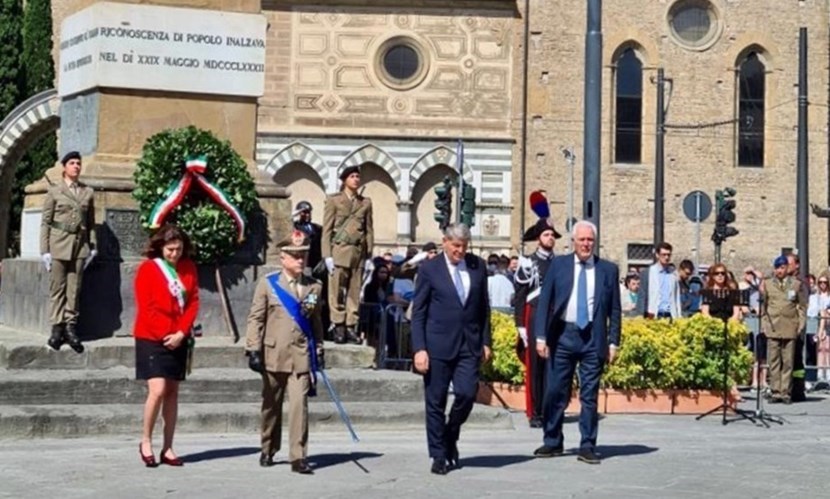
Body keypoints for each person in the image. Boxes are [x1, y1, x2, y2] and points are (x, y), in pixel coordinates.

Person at [533, 220, 621, 465]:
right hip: (562, 335)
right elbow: (545, 302)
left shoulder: (608, 270)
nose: (586, 244)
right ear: (573, 242)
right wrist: (541, 336)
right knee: (555, 392)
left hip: (593, 338)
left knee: (590, 395)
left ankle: (587, 445)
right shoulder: (558, 266)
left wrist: (613, 342)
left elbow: (615, 309)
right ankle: (552, 441)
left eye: (590, 240)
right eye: (582, 240)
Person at [411, 223, 492, 475]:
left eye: (464, 247)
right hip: (437, 345)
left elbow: (483, 309)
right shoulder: (429, 270)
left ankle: (451, 432)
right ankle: (438, 453)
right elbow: (419, 312)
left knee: (467, 394)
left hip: (469, 344)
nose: (460, 251)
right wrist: (419, 348)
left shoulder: (478, 267)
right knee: (435, 401)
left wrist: (486, 341)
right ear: (444, 242)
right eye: (456, 246)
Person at [245, 230, 324, 474]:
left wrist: (319, 349)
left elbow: (316, 322)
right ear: (283, 258)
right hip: (273, 354)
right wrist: (253, 349)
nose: (301, 260)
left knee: (300, 406)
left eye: (303, 255)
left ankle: (298, 456)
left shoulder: (315, 287)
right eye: (295, 256)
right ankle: (268, 447)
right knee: (271, 406)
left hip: (300, 356)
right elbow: (256, 318)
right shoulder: (269, 284)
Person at [133, 224, 200, 468]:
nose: (175, 254)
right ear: (161, 247)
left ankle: (168, 447)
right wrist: (166, 335)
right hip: (152, 337)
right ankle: (145, 440)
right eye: (170, 249)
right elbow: (146, 306)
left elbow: (192, 302)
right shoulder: (148, 269)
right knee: (158, 389)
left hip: (178, 337)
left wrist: (181, 332)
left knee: (172, 392)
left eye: (179, 249)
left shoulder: (188, 268)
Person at [40, 151, 97, 353]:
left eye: (78, 163)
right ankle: (57, 328)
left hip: (79, 246)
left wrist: (93, 245)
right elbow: (46, 222)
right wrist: (44, 250)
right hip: (58, 244)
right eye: (72, 163)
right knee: (58, 288)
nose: (76, 166)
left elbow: (90, 222)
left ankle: (70, 327)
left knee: (74, 289)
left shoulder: (87, 192)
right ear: (64, 167)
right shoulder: (55, 191)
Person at [513, 214, 560, 428]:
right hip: (533, 314)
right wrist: (520, 325)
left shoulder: (560, 263)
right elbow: (520, 296)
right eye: (546, 234)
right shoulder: (527, 263)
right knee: (535, 366)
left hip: (554, 317)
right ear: (538, 238)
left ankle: (550, 408)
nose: (550, 238)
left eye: (552, 235)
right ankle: (535, 412)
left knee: (554, 364)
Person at [322, 164, 373, 344]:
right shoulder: (334, 200)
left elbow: (368, 230)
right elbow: (327, 230)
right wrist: (327, 255)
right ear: (344, 180)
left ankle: (351, 325)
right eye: (352, 176)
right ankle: (338, 325)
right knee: (336, 291)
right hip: (339, 250)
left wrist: (369, 255)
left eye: (358, 177)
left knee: (354, 291)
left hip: (357, 252)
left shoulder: (365, 202)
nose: (356, 180)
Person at [763, 255, 807, 404]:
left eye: (782, 268)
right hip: (773, 326)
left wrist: (800, 325)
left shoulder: (795, 284)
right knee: (774, 361)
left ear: (787, 268)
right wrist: (765, 324)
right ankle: (775, 391)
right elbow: (764, 306)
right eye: (777, 268)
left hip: (790, 326)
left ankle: (785, 392)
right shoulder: (768, 284)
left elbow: (801, 306)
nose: (779, 271)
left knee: (788, 362)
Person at [635, 242, 682, 319]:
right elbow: (642, 295)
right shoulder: (648, 273)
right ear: (657, 255)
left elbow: (676, 297)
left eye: (668, 255)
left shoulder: (673, 274)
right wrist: (640, 315)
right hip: (653, 314)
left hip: (670, 315)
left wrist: (679, 315)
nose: (666, 257)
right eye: (663, 254)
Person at [809, 272, 830, 383]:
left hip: (828, 326)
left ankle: (828, 374)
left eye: (825, 282)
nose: (823, 284)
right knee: (820, 349)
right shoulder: (815, 297)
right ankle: (820, 373)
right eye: (820, 282)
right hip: (818, 325)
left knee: (828, 349)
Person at [293, 201, 323, 274]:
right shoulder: (295, 226)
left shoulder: (317, 228)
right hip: (303, 261)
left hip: (316, 262)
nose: (307, 215)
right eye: (304, 212)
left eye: (308, 212)